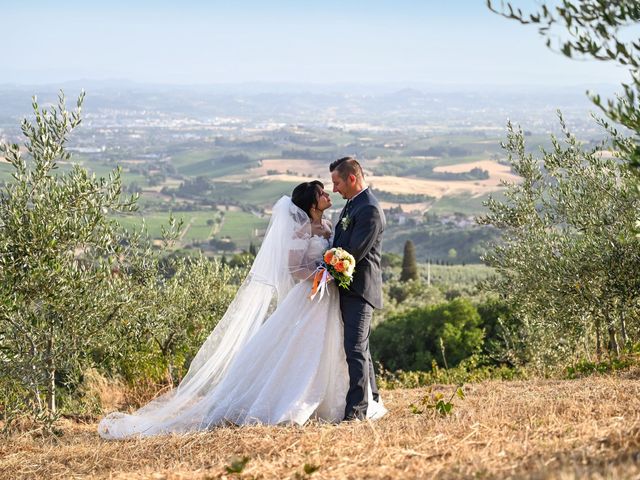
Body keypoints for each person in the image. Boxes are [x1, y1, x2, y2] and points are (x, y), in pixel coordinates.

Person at [98, 181, 386, 439]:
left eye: (328, 189)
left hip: (329, 296)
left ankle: (340, 403)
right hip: (311, 296)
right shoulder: (302, 230)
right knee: (303, 348)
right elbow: (295, 268)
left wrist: (331, 271)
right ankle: (292, 401)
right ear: (312, 204)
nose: (328, 194)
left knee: (333, 346)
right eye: (322, 193)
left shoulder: (328, 225)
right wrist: (322, 273)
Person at [330, 157, 385, 421]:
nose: (334, 189)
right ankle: (373, 401)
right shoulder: (354, 204)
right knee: (360, 347)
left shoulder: (369, 209)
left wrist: (326, 270)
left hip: (360, 291)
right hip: (348, 289)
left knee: (355, 348)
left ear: (352, 178)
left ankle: (357, 413)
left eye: (337, 182)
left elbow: (352, 254)